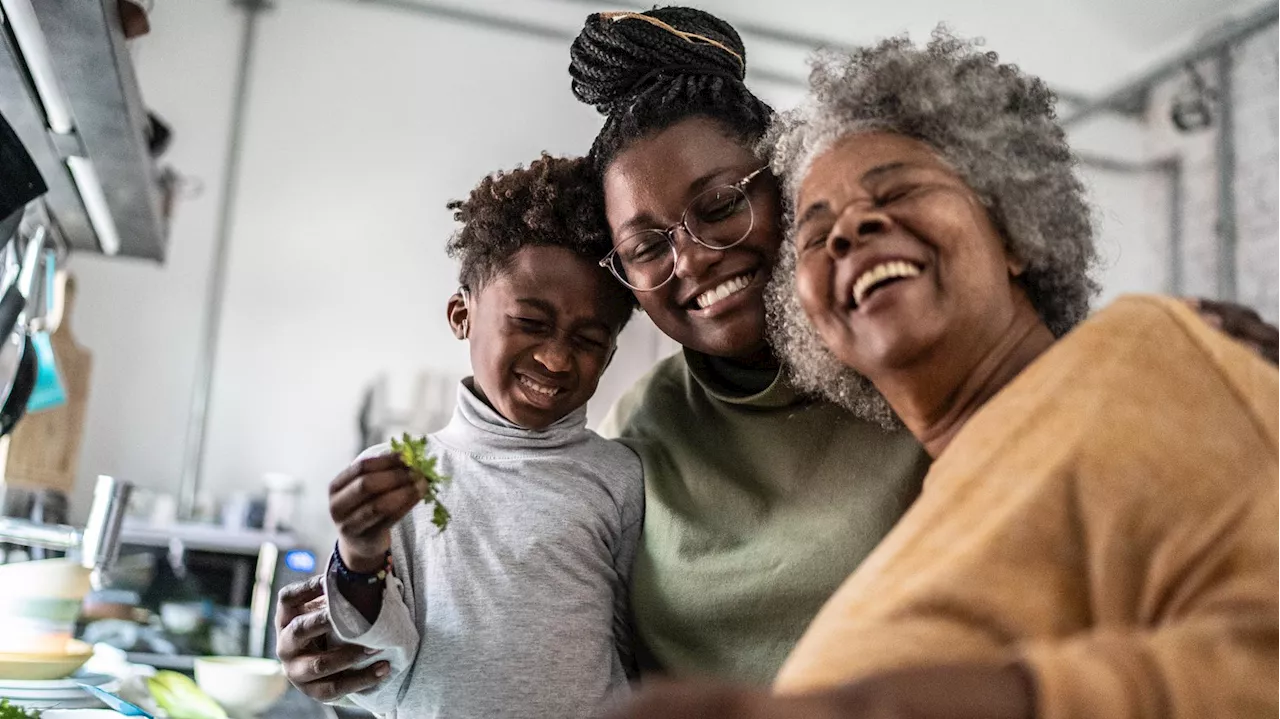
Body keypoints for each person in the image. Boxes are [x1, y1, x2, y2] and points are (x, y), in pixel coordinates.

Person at [275, 6, 1280, 700]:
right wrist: (366, 634)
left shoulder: (919, 378)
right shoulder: (636, 440)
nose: (694, 258)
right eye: (643, 247)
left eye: (721, 206)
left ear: (780, 189)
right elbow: (548, 638)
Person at [606, 30, 1280, 719]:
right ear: (805, 312)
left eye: (897, 189)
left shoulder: (1141, 360)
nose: (851, 229)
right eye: (817, 231)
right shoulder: (930, 512)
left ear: (1014, 229)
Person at [319, 154, 644, 719]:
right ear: (460, 315)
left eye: (589, 339)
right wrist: (359, 554)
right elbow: (374, 667)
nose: (555, 357)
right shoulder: (397, 476)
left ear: (610, 352)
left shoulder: (620, 478)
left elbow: (635, 653)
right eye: (531, 323)